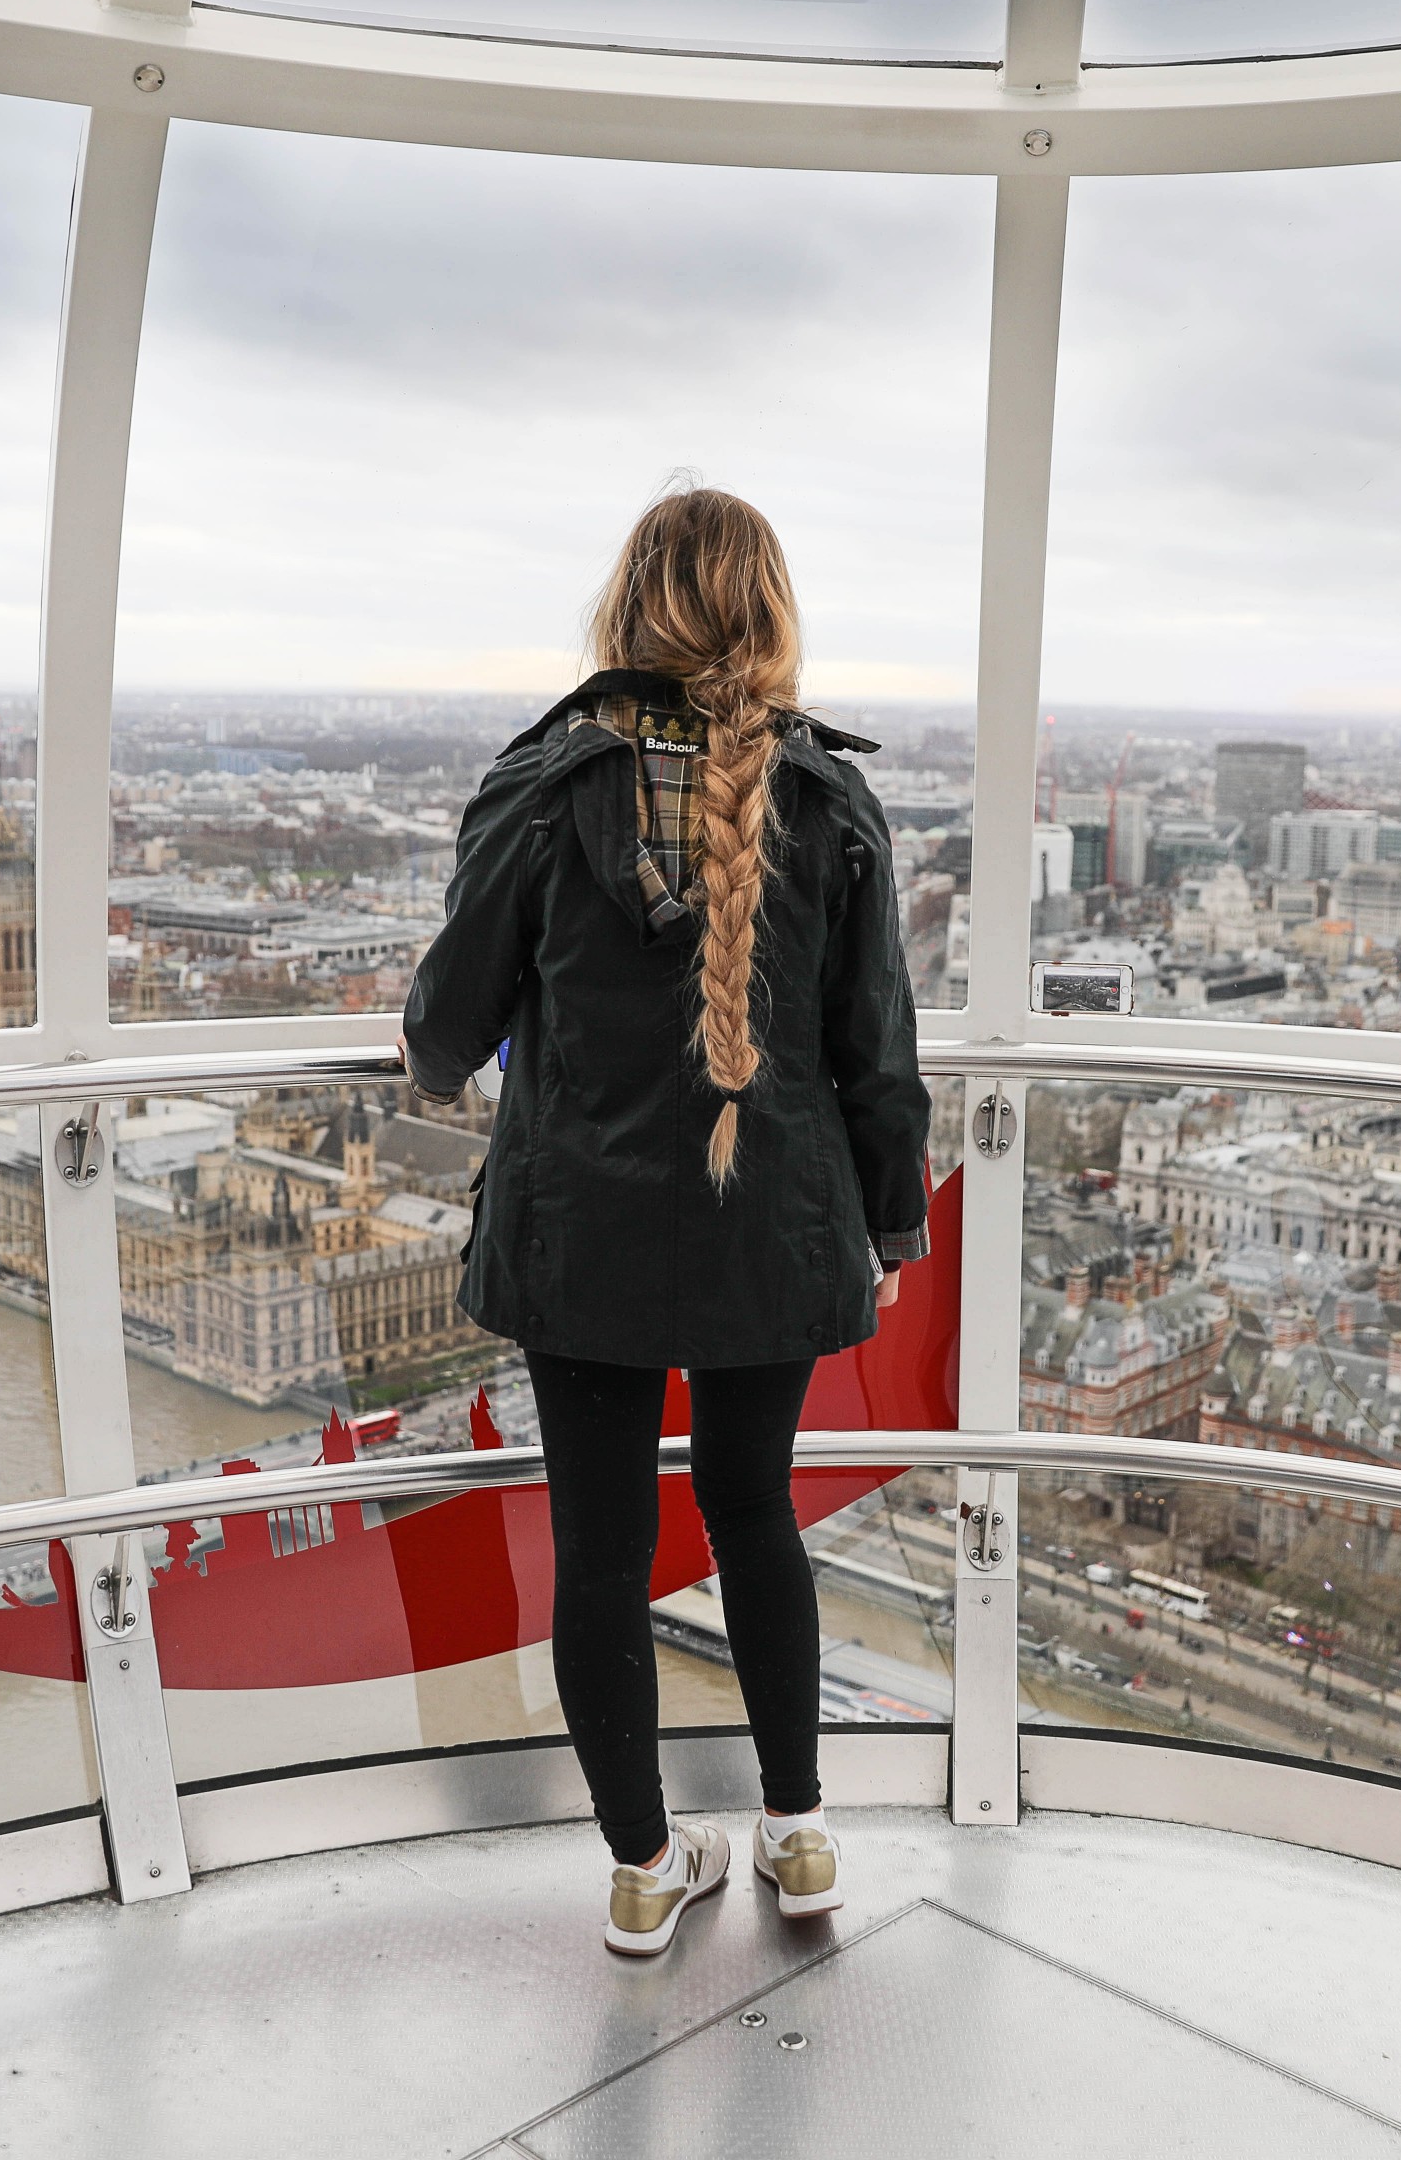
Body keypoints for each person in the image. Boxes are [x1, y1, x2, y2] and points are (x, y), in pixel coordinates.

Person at [401, 484, 931, 1958]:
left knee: (599, 1546)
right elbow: (877, 1055)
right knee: (756, 1515)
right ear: (769, 617)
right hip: (772, 1230)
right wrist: (888, 1231)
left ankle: (643, 1867)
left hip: (587, 1241)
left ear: (628, 609)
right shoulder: (830, 799)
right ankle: (803, 1834)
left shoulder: (541, 785)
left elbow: (445, 1031)